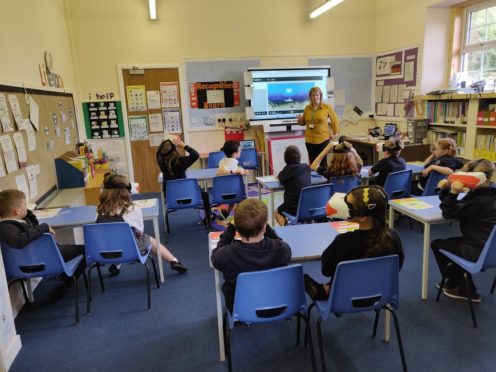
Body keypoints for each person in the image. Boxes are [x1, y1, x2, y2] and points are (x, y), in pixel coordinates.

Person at [304, 185, 404, 300]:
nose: (345, 208)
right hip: (380, 293)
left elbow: (326, 270)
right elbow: (396, 268)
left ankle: (327, 289)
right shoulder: (393, 236)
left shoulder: (343, 241)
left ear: (363, 217)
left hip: (346, 297)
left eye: (349, 206)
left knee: (302, 279)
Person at [96, 173, 187, 275]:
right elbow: (140, 232)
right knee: (146, 238)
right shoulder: (133, 209)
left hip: (104, 251)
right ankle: (173, 260)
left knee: (116, 238)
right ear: (126, 190)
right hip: (131, 251)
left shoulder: (99, 210)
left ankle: (116, 265)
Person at [431, 159, 496, 302]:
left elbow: (449, 213)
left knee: (437, 244)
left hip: (478, 250)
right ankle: (459, 282)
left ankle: (464, 288)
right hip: (491, 250)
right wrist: (446, 191)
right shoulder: (488, 194)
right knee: (450, 243)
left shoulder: (480, 200)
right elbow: (458, 207)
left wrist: (452, 193)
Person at [211, 198, 291, 312]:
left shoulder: (226, 255)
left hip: (241, 309)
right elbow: (279, 241)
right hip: (277, 305)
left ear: (237, 228)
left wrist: (230, 229)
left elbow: (215, 255)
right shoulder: (281, 249)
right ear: (264, 227)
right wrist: (266, 226)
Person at [0, 190, 85, 294]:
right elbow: (18, 241)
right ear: (17, 211)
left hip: (38, 257)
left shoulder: (18, 221)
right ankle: (67, 282)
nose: (26, 207)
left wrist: (28, 213)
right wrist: (44, 227)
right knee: (85, 250)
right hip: (41, 258)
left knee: (68, 249)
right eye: (25, 204)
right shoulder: (5, 227)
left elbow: (34, 226)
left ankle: (64, 277)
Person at [156, 137, 211, 225]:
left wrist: (163, 145)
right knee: (205, 194)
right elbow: (195, 154)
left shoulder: (161, 162)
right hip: (189, 197)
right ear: (175, 150)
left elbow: (158, 153)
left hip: (171, 199)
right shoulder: (181, 161)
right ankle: (208, 219)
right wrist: (183, 145)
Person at [297, 87, 339, 169]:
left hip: (323, 141)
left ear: (320, 96)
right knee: (313, 164)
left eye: (317, 95)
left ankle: (324, 181)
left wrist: (335, 133)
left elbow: (335, 120)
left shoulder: (326, 107)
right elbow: (303, 122)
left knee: (322, 165)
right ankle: (315, 181)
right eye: (313, 95)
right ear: (310, 97)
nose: (315, 97)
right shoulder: (307, 108)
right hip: (310, 141)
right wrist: (299, 120)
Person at [274, 145, 311, 226]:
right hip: (309, 206)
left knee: (277, 212)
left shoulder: (286, 171)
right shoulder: (306, 168)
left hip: (293, 207)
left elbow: (280, 177)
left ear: (285, 158)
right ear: (299, 156)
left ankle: (287, 228)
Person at [216, 140, 249, 219]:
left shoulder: (222, 160)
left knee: (234, 199)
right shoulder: (233, 162)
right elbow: (221, 172)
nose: (241, 151)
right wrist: (240, 171)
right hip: (234, 191)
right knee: (242, 199)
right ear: (235, 153)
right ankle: (240, 217)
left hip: (223, 191)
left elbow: (232, 169)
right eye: (240, 150)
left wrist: (241, 170)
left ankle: (227, 213)